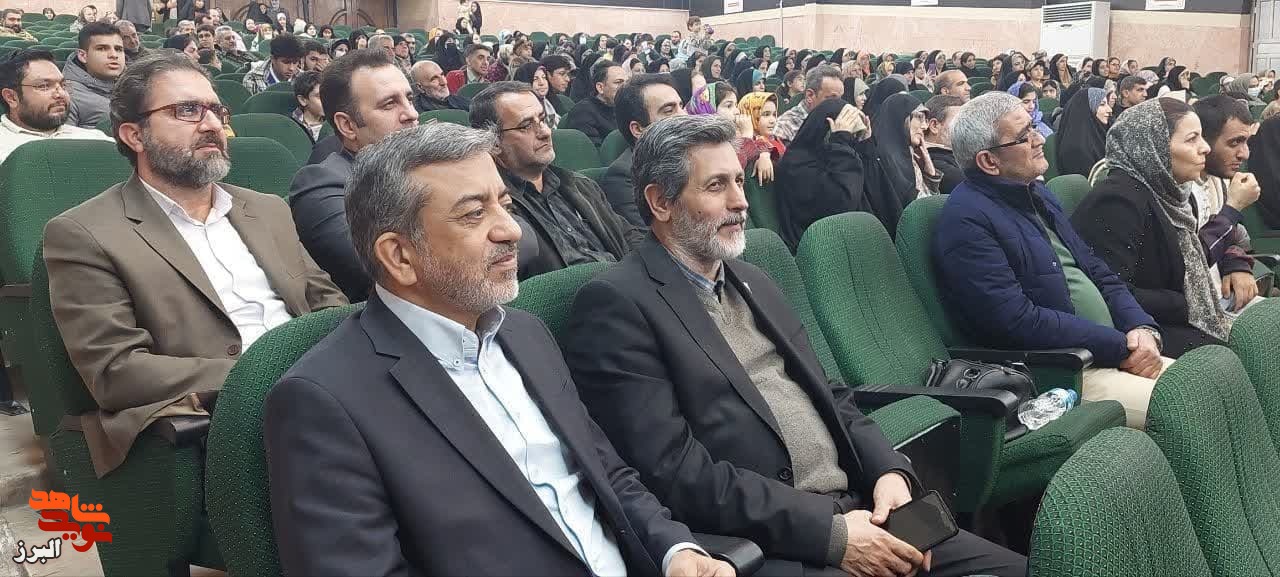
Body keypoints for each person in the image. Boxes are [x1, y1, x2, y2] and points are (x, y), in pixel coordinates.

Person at [562, 113, 1027, 577]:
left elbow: (833, 395)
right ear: (660, 202)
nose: (740, 201)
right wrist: (832, 534)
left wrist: (890, 472)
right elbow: (675, 473)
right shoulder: (618, 305)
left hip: (863, 507)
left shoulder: (752, 279)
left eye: (739, 181)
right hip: (781, 544)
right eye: (716, 186)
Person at [267, 119, 731, 577]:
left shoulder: (526, 334)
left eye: (504, 205)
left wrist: (675, 551)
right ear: (400, 256)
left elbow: (607, 472)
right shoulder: (324, 402)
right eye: (474, 214)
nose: (511, 230)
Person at [43, 52, 346, 477]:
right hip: (223, 414)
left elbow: (327, 302)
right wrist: (266, 374)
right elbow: (116, 372)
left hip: (325, 390)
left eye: (217, 110)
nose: (212, 125)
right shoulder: (84, 233)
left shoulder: (267, 208)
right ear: (134, 135)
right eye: (187, 110)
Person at [933, 92, 1165, 428]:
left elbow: (1096, 270)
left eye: (1033, 127)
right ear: (988, 161)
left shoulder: (1036, 193)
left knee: (1212, 387)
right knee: (1189, 408)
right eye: (1024, 136)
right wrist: (1120, 346)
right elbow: (1016, 321)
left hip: (1113, 349)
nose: (1040, 138)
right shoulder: (966, 220)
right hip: (1062, 373)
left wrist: (1141, 327)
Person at [1072, 97, 1251, 359]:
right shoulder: (1117, 201)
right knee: (1238, 357)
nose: (1204, 148)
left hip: (1170, 317)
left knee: (1257, 342)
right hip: (1138, 332)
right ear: (1152, 147)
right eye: (1192, 139)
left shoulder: (1169, 193)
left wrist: (1234, 261)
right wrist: (1185, 298)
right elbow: (1112, 292)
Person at [472, 81, 641, 278]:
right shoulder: (493, 209)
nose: (545, 132)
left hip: (623, 284)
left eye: (543, 120)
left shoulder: (580, 184)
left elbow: (628, 236)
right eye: (526, 126)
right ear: (493, 143)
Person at [290, 49, 418, 302]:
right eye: (389, 104)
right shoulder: (322, 186)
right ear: (348, 125)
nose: (412, 114)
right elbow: (393, 273)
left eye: (410, 99)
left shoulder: (431, 170)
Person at [775, 98, 887, 249]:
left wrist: (865, 146)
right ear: (826, 130)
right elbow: (842, 203)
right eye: (849, 135)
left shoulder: (843, 156)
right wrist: (840, 142)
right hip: (820, 246)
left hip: (852, 238)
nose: (851, 142)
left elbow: (876, 195)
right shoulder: (795, 164)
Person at [1185, 94, 1262, 310]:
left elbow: (1234, 237)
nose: (1244, 154)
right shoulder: (1182, 188)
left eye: (1246, 142)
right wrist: (1233, 208)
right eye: (1234, 142)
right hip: (1195, 307)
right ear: (1203, 141)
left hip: (1223, 293)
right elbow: (1188, 264)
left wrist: (1236, 261)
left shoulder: (1219, 179)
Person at [0, 49, 114, 164]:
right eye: (44, 86)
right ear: (11, 97)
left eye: (63, 85)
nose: (61, 94)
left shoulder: (96, 139)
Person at [602, 73, 686, 226]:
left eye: (681, 106)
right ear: (638, 129)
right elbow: (648, 235)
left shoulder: (696, 156)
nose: (684, 116)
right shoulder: (623, 177)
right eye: (669, 110)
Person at [64, 21, 125, 129]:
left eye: (118, 49)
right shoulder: (65, 96)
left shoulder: (135, 87)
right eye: (102, 48)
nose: (114, 55)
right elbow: (63, 138)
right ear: (83, 56)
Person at [773, 65, 843, 144]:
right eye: (832, 98)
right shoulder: (786, 126)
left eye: (840, 98)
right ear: (810, 95)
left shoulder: (840, 122)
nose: (839, 105)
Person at [563, 59, 625, 147]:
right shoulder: (583, 113)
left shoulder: (625, 108)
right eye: (618, 82)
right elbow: (592, 151)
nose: (625, 87)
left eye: (627, 82)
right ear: (600, 87)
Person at [1055, 87, 1111, 177]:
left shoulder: (1101, 133)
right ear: (1087, 109)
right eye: (1102, 104)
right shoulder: (1076, 149)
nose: (1110, 110)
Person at [734, 91, 784, 185]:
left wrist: (765, 153)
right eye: (766, 114)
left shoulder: (775, 139)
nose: (772, 120)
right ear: (749, 114)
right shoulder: (740, 143)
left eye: (774, 114)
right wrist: (763, 153)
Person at [924, 95, 966, 194]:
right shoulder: (932, 163)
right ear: (934, 126)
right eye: (959, 122)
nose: (966, 128)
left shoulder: (959, 153)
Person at [512, 62, 560, 130]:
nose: (541, 83)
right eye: (535, 79)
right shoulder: (520, 112)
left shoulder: (552, 103)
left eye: (544, 77)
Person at [290, 70, 324, 142]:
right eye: (319, 96)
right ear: (302, 100)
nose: (326, 100)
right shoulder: (290, 125)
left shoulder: (334, 124)